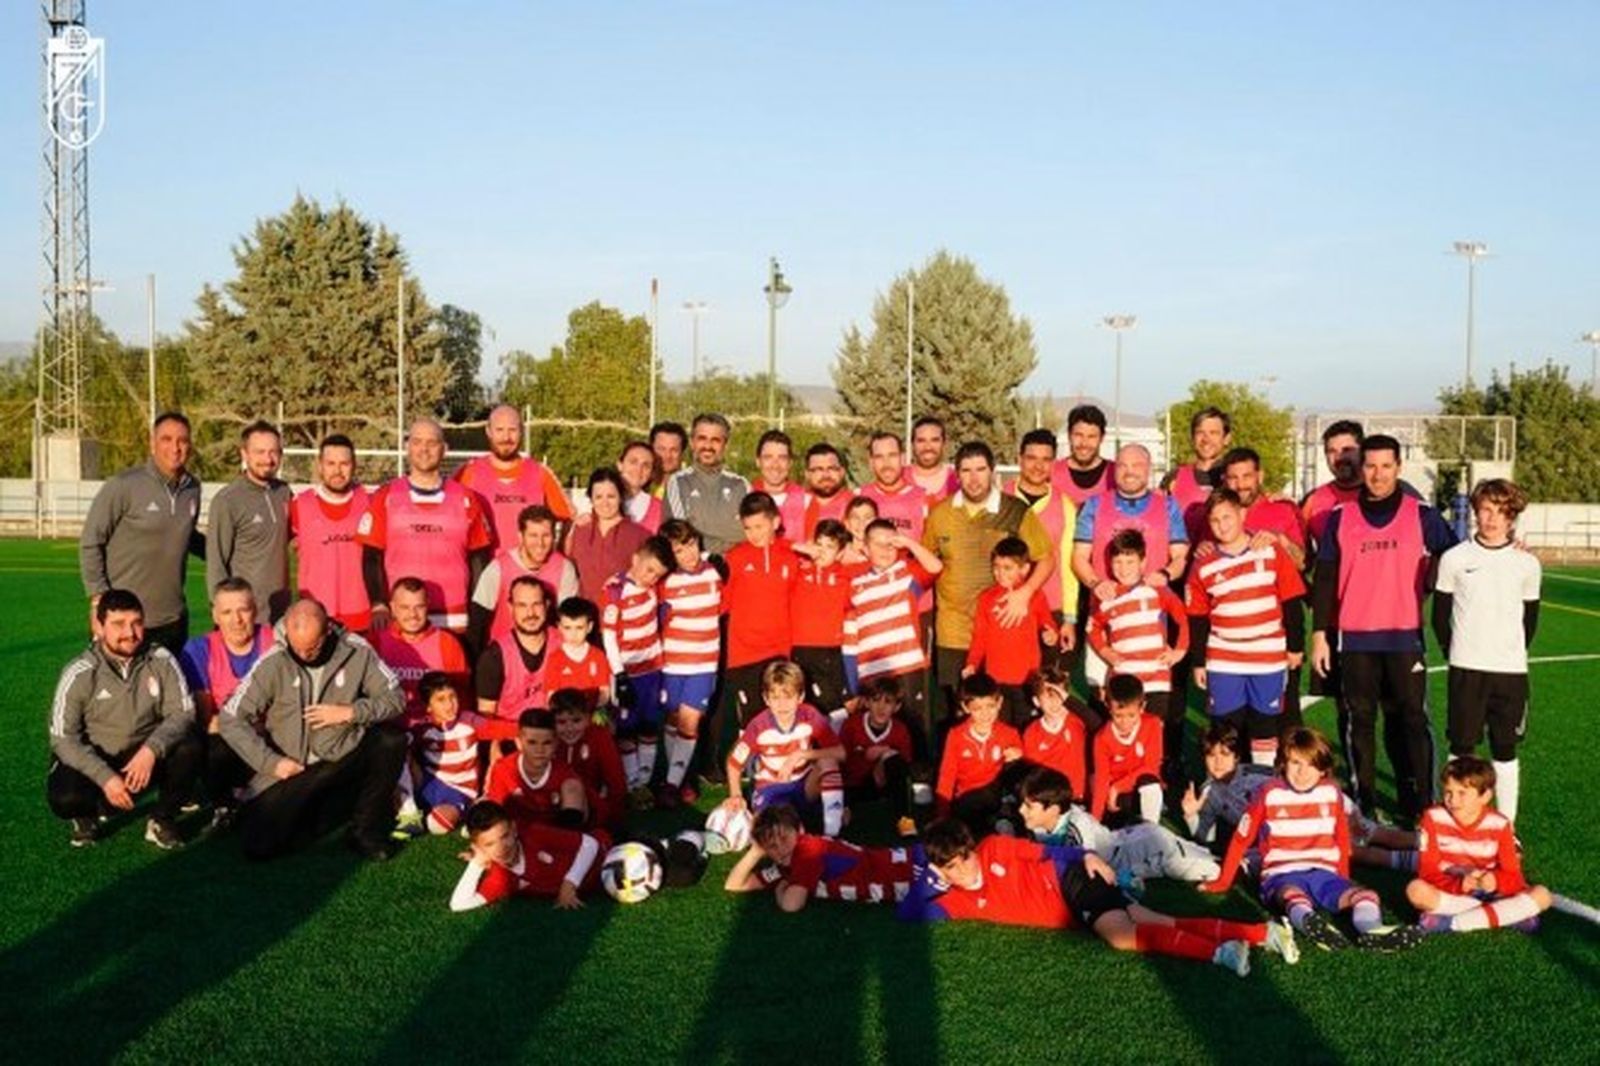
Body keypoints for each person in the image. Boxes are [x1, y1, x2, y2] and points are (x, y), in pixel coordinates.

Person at [903, 818, 1294, 977]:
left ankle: (1221, 954)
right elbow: (909, 915)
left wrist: (1085, 855)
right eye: (953, 866)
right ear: (943, 872)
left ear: (973, 848)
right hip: (1076, 910)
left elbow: (1045, 853)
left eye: (965, 856)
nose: (966, 867)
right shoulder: (956, 901)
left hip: (1072, 881)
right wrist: (930, 877)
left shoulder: (992, 848)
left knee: (1122, 936)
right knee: (1157, 920)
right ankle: (1262, 933)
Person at [1310, 433, 1456, 821]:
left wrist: (1430, 582)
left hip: (1404, 637)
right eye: (1370, 466)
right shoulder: (1340, 519)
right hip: (1354, 639)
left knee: (1413, 721)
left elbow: (1457, 556)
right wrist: (1320, 635)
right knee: (1360, 723)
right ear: (1361, 469)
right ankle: (1365, 807)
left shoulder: (1421, 514)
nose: (1377, 474)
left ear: (1398, 468)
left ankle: (1426, 806)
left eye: (1385, 466)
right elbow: (1324, 578)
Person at [1200, 727, 1424, 952]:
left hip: (1323, 871)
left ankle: (1372, 931)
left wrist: (1342, 877)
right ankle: (1309, 923)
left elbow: (1341, 838)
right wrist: (1223, 881)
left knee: (1366, 894)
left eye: (1311, 764)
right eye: (1295, 763)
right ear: (1284, 764)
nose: (1302, 772)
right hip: (1281, 873)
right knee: (1291, 894)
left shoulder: (1332, 793)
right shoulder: (1268, 793)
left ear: (1323, 770)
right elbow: (1241, 839)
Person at [218, 598, 408, 861]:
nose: (305, 655)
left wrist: (351, 712)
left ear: (328, 629)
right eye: (299, 648)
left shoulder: (356, 650)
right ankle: (325, 810)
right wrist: (272, 763)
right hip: (294, 770)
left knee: (391, 740)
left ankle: (365, 831)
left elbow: (396, 698)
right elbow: (230, 717)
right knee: (259, 846)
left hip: (342, 756)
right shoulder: (273, 661)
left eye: (313, 647)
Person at [48, 588, 202, 849]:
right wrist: (104, 776)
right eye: (118, 624)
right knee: (66, 797)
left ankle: (162, 819)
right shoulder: (80, 672)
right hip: (98, 757)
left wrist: (151, 750)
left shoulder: (161, 659)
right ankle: (87, 814)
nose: (130, 633)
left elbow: (183, 712)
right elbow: (63, 738)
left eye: (136, 623)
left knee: (192, 747)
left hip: (143, 756)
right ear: (99, 626)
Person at [923, 441, 1055, 732]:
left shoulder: (1016, 511)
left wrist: (1025, 593)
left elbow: (1046, 559)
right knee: (957, 713)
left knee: (1010, 716)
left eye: (980, 469)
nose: (974, 478)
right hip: (955, 632)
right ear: (956, 474)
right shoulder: (940, 514)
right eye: (966, 470)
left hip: (1003, 637)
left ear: (992, 472)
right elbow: (925, 563)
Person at [1431, 479, 1541, 822]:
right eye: (1486, 510)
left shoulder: (1527, 564)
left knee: (1504, 750)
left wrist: (1507, 651)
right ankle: (1451, 821)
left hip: (1509, 672)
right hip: (1467, 669)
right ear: (1475, 511)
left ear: (1513, 518)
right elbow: (1439, 617)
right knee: (1462, 748)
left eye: (1502, 512)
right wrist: (1459, 652)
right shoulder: (1454, 558)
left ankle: (1506, 825)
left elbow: (1530, 622)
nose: (1492, 519)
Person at [1186, 489, 1306, 767]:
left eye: (1227, 517)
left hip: (1268, 657)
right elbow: (1199, 618)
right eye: (1215, 520)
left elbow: (1291, 602)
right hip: (1224, 658)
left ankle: (1260, 782)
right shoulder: (1203, 565)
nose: (1222, 525)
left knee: (1265, 726)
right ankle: (1228, 787)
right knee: (1227, 729)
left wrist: (1296, 647)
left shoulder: (1270, 550)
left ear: (1242, 514)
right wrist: (1198, 662)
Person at [79, 411, 204, 654]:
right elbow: (91, 541)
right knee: (117, 691)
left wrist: (233, 548)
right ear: (152, 443)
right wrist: (98, 600)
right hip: (124, 620)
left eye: (182, 440)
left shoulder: (193, 488)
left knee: (170, 692)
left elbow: (187, 536)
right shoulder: (123, 486)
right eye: (166, 439)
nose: (175, 448)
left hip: (173, 619)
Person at [1071, 443, 1188, 695]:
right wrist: (1096, 583)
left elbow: (1180, 557)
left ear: (1149, 469)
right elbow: (1079, 557)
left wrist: (1165, 574)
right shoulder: (1094, 505)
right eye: (1123, 465)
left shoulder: (1168, 506)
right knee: (1104, 694)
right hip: (1105, 613)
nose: (1129, 471)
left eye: (1137, 465)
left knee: (1156, 698)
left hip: (1152, 619)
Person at [359, 418, 494, 635]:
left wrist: (476, 612)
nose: (424, 449)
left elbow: (480, 560)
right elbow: (371, 556)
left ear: (445, 449)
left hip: (454, 620)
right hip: (402, 619)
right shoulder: (385, 497)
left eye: (432, 443)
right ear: (407, 447)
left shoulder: (466, 498)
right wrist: (378, 603)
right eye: (417, 442)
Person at [1086, 529, 1189, 778]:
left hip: (1156, 678)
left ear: (1143, 562)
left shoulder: (1157, 591)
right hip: (1123, 678)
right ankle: (1122, 781)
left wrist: (1179, 652)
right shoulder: (1105, 596)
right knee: (1124, 732)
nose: (1123, 568)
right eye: (1118, 561)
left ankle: (1153, 782)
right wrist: (1106, 652)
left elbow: (1182, 619)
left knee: (1154, 733)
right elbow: (1093, 627)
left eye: (1130, 561)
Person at [1409, 756, 1551, 934]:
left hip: (1491, 890)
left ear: (1485, 796)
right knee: (1415, 891)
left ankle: (1450, 923)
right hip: (1452, 888)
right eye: (1448, 792)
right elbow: (1428, 872)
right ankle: (1507, 914)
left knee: (1543, 895)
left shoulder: (1500, 824)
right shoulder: (1432, 818)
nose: (1453, 800)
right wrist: (1459, 884)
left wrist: (1494, 880)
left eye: (1462, 793)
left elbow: (1514, 876)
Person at [1017, 766, 1220, 888]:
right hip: (1126, 846)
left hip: (1143, 845)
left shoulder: (1077, 826)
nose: (1021, 810)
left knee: (1211, 868)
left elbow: (1089, 868)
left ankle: (1241, 864)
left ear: (1052, 809)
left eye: (1028, 806)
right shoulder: (1039, 824)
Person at [720, 660, 846, 837]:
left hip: (805, 784)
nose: (782, 705)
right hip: (772, 788)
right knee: (779, 832)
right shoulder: (758, 726)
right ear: (766, 699)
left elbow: (840, 753)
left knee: (828, 762)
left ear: (800, 697)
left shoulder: (810, 716)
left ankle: (833, 833)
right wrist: (735, 794)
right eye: (776, 698)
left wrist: (801, 755)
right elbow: (734, 763)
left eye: (788, 697)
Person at [848, 519, 942, 752]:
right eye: (878, 545)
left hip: (906, 667)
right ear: (866, 548)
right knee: (874, 733)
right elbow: (850, 637)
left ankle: (920, 783)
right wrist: (853, 686)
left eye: (890, 544)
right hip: (871, 671)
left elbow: (935, 568)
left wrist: (909, 544)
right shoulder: (854, 583)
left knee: (914, 728)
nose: (885, 550)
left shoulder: (906, 573)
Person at [724, 803, 916, 910]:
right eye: (772, 846)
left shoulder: (806, 852)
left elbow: (791, 905)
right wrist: (755, 851)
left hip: (901, 873)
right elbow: (733, 885)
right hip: (897, 874)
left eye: (784, 838)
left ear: (799, 830)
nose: (780, 849)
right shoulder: (785, 863)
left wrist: (780, 890)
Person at [600, 536, 675, 796]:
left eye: (657, 574)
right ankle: (631, 782)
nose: (651, 577)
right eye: (649, 570)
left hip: (653, 670)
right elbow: (608, 636)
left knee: (649, 728)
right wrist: (619, 675)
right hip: (627, 673)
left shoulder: (655, 588)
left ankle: (644, 783)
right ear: (635, 559)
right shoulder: (615, 590)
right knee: (626, 730)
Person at [719, 492, 800, 728]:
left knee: (780, 719)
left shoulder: (791, 558)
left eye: (759, 526)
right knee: (751, 722)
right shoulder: (735, 558)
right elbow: (722, 603)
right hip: (744, 655)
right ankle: (751, 766)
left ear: (775, 522)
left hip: (779, 653)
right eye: (748, 528)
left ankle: (778, 765)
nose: (754, 534)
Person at [963, 536, 1061, 729]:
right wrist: (972, 664)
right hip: (996, 680)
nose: (1000, 573)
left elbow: (1048, 624)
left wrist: (1050, 635)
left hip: (1027, 678)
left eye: (1007, 568)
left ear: (1024, 569)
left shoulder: (1034, 596)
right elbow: (979, 637)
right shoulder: (986, 599)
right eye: (996, 567)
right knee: (1001, 729)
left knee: (1026, 727)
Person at [1004, 428, 1081, 668]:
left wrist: (1069, 618)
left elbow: (1069, 566)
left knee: (1048, 687)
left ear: (1053, 464)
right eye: (1031, 458)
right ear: (1019, 459)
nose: (1038, 466)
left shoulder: (1065, 505)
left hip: (1051, 607)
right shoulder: (999, 497)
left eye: (1046, 459)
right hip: (1006, 605)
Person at [657, 520, 722, 804]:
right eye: (679, 550)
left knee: (690, 722)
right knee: (673, 721)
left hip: (704, 663)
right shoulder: (665, 582)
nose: (689, 554)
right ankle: (681, 779)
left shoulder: (715, 573)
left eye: (692, 545)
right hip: (672, 663)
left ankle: (670, 786)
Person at [455, 403, 573, 552]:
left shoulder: (540, 474)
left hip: (529, 573)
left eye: (512, 430)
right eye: (499, 430)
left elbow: (567, 518)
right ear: (488, 431)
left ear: (521, 432)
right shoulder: (468, 473)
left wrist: (559, 553)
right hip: (483, 571)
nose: (506, 437)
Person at [206, 419, 292, 622]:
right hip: (245, 616)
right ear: (244, 454)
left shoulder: (284, 492)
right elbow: (217, 562)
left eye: (273, 452)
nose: (268, 459)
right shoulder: (228, 500)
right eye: (260, 452)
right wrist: (222, 610)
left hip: (281, 614)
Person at [448, 800, 602, 912]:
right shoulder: (502, 878)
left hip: (605, 855)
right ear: (478, 848)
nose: (502, 847)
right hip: (601, 887)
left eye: (505, 836)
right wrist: (476, 863)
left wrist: (569, 884)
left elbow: (590, 844)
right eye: (490, 844)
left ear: (514, 829)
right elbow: (458, 904)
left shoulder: (533, 834)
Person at [289, 434, 373, 633]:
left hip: (361, 617)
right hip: (314, 618)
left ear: (354, 465)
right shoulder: (299, 505)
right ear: (320, 465)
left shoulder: (370, 502)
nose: (337, 470)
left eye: (344, 463)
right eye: (330, 463)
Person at [469, 504, 579, 649]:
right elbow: (477, 623)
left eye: (546, 535)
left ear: (554, 536)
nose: (540, 543)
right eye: (533, 535)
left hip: (548, 654)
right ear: (520, 536)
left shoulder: (565, 569)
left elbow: (569, 623)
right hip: (504, 652)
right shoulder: (498, 569)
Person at [179, 576, 275, 734]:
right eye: (226, 612)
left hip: (269, 737)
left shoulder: (275, 644)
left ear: (255, 611)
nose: (237, 620)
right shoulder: (199, 650)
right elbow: (206, 720)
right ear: (215, 616)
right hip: (221, 739)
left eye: (243, 610)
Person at [371, 577, 471, 725]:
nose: (413, 615)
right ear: (392, 607)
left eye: (419, 607)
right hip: (389, 732)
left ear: (428, 606)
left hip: (434, 732)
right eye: (405, 607)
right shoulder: (375, 643)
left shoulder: (447, 643)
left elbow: (461, 697)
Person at [934, 672, 1023, 833]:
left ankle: (1006, 818)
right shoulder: (956, 735)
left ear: (999, 703)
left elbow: (1019, 771)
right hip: (968, 798)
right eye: (977, 708)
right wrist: (942, 816)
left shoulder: (1010, 733)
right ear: (965, 707)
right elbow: (947, 776)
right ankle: (994, 824)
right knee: (973, 825)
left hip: (997, 794)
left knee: (1016, 762)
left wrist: (1019, 754)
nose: (985, 714)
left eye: (990, 706)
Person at [473, 575, 556, 746]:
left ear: (547, 605)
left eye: (536, 604)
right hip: (510, 739)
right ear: (510, 608)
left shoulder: (564, 644)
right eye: (522, 605)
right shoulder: (494, 656)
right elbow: (485, 717)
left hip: (556, 736)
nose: (530, 613)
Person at [790, 519, 860, 717]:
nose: (821, 550)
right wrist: (799, 547)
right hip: (800, 649)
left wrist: (857, 557)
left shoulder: (845, 576)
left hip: (831, 650)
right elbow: (777, 549)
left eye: (829, 547)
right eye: (818, 544)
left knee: (838, 706)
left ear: (840, 553)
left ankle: (838, 745)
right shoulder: (799, 572)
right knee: (806, 706)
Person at [395, 671, 478, 837]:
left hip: (458, 791)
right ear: (428, 706)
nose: (449, 704)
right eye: (441, 699)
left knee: (437, 825)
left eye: (452, 696)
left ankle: (470, 814)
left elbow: (501, 729)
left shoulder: (470, 722)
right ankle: (409, 816)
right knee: (395, 750)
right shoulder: (423, 728)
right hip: (430, 783)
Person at [483, 709, 591, 828]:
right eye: (532, 743)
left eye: (546, 743)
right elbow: (495, 816)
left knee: (572, 786)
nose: (539, 750)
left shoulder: (565, 774)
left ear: (556, 743)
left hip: (555, 835)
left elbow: (579, 820)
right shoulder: (503, 769)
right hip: (516, 834)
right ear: (519, 742)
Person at [838, 674, 918, 832]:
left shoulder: (900, 729)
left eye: (888, 702)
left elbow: (904, 766)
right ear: (867, 702)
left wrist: (886, 752)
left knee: (893, 760)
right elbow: (840, 758)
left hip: (884, 785)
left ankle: (905, 823)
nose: (881, 708)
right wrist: (864, 754)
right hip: (854, 786)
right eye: (876, 701)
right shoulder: (852, 725)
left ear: (896, 707)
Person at [664, 413, 749, 555]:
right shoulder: (678, 483)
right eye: (702, 438)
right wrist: (729, 534)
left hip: (735, 568)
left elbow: (750, 534)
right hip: (695, 571)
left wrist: (700, 528)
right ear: (692, 442)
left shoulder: (741, 485)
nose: (708, 446)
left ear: (725, 445)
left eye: (715, 440)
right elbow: (682, 537)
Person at [566, 468, 650, 604]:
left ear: (621, 497)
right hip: (586, 618)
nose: (605, 503)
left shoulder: (639, 535)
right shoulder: (580, 531)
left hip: (624, 618)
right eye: (598, 497)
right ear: (591, 499)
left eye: (611, 496)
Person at [1090, 674, 1164, 827]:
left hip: (1137, 787)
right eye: (1118, 716)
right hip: (1115, 796)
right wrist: (1095, 821)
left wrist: (1118, 786)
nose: (1125, 722)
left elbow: (1152, 767)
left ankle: (1151, 832)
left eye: (1131, 715)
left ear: (1142, 707)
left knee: (1150, 782)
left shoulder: (1153, 724)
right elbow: (1102, 779)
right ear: (1108, 707)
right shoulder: (1102, 738)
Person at [551, 688, 627, 832]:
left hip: (593, 808)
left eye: (576, 720)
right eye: (561, 722)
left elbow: (616, 781)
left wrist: (613, 821)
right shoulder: (549, 739)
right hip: (555, 804)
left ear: (587, 719)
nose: (569, 728)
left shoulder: (599, 737)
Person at [1164, 406, 1232, 544]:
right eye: (1200, 433)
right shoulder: (1175, 478)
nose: (1206, 439)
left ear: (1226, 438)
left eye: (1213, 433)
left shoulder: (1235, 477)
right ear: (1192, 438)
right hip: (1184, 561)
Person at [1021, 665, 1088, 802]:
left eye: (1059, 695)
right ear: (1036, 701)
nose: (1055, 702)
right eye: (1049, 696)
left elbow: (1099, 724)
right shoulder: (1031, 732)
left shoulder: (1078, 722)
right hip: (1048, 801)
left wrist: (1070, 702)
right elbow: (1034, 774)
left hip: (1077, 798)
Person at [542, 597, 612, 712]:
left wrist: (588, 710)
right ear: (559, 627)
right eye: (567, 628)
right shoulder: (555, 658)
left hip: (592, 715)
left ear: (589, 627)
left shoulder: (598, 656)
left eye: (579, 628)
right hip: (565, 718)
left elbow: (604, 692)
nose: (573, 634)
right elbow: (551, 696)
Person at [858, 432, 929, 542]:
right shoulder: (857, 497)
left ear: (903, 459)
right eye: (879, 457)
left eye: (892, 455)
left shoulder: (925, 499)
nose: (886, 464)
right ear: (871, 463)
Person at [1051, 404, 1115, 506]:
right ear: (1069, 435)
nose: (1084, 443)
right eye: (1078, 435)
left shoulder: (1116, 474)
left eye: (1091, 436)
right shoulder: (1051, 474)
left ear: (1102, 438)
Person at [752, 429, 807, 539]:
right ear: (758, 461)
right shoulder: (743, 496)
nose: (775, 465)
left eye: (782, 458)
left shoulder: (807, 500)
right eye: (768, 457)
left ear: (790, 463)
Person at [799, 442, 852, 540]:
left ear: (842, 472)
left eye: (831, 468)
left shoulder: (856, 505)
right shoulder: (795, 504)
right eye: (818, 469)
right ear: (807, 474)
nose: (826, 475)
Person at [906, 416, 959, 502]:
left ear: (944, 443)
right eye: (921, 440)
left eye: (934, 440)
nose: (928, 447)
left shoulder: (958, 480)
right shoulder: (899, 478)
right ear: (912, 444)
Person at [617, 439, 665, 533]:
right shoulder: (596, 501)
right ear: (620, 465)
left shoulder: (660, 510)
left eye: (646, 465)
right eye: (633, 462)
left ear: (651, 472)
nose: (638, 469)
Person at [647, 421, 689, 499]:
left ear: (682, 454)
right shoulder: (638, 487)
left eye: (674, 450)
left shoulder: (692, 491)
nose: (667, 456)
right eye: (661, 449)